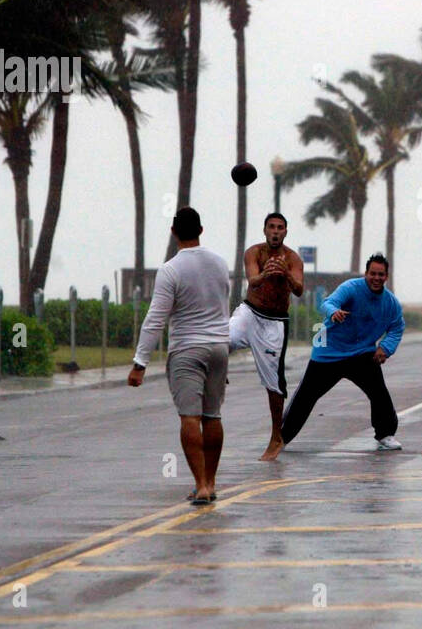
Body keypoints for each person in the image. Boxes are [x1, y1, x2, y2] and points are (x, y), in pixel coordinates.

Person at [128, 207, 231, 505]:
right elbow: (223, 306)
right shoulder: (220, 264)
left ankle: (200, 486)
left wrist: (140, 363)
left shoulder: (170, 270)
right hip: (218, 348)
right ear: (201, 230)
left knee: (190, 416)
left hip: (187, 349)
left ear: (173, 232)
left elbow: (155, 318)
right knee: (213, 415)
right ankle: (210, 482)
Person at [280, 254, 405, 452]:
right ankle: (282, 437)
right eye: (373, 273)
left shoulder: (390, 303)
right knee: (306, 396)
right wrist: (334, 312)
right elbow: (327, 303)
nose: (376, 278)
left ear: (386, 277)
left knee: (379, 392)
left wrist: (385, 347)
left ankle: (386, 434)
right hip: (330, 353)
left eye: (381, 274)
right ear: (366, 273)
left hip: (362, 354)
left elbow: (397, 327)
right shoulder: (351, 288)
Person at [228, 212, 304, 461]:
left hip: (274, 323)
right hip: (250, 312)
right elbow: (252, 280)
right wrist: (265, 274)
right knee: (220, 339)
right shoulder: (254, 253)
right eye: (271, 227)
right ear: (264, 230)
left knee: (273, 383)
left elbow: (300, 289)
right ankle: (218, 374)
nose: (275, 231)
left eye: (280, 228)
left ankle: (276, 437)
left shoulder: (293, 258)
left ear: (286, 232)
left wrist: (286, 275)